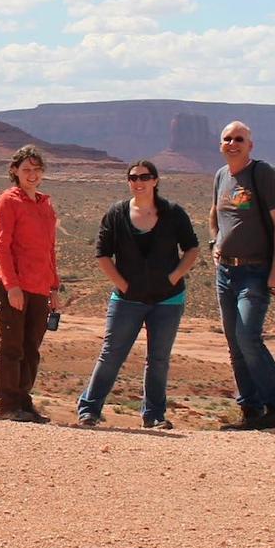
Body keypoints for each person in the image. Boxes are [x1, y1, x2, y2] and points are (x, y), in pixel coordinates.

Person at [77, 160, 199, 429]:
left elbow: (192, 248)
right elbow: (103, 254)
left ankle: (154, 415)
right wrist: (122, 285)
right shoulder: (116, 214)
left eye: (145, 177)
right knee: (111, 354)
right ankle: (89, 410)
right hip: (127, 299)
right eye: (132, 178)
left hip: (168, 299)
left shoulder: (174, 213)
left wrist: (174, 277)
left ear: (156, 180)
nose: (138, 182)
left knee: (158, 358)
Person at [209, 121, 275, 431]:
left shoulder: (263, 174)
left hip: (256, 271)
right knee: (235, 344)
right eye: (227, 139)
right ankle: (251, 411)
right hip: (226, 272)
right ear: (220, 144)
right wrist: (215, 243)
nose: (233, 143)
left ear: (250, 145)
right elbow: (215, 214)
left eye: (239, 139)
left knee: (248, 338)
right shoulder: (221, 175)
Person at [0, 145, 60, 423]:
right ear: (15, 172)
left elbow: (50, 250)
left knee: (31, 347)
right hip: (14, 287)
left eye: (36, 169)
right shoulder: (9, 200)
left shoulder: (45, 204)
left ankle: (23, 402)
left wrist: (54, 288)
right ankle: (6, 406)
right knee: (12, 346)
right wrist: (11, 286)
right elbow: (1, 247)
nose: (32, 175)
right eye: (26, 170)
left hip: (40, 287)